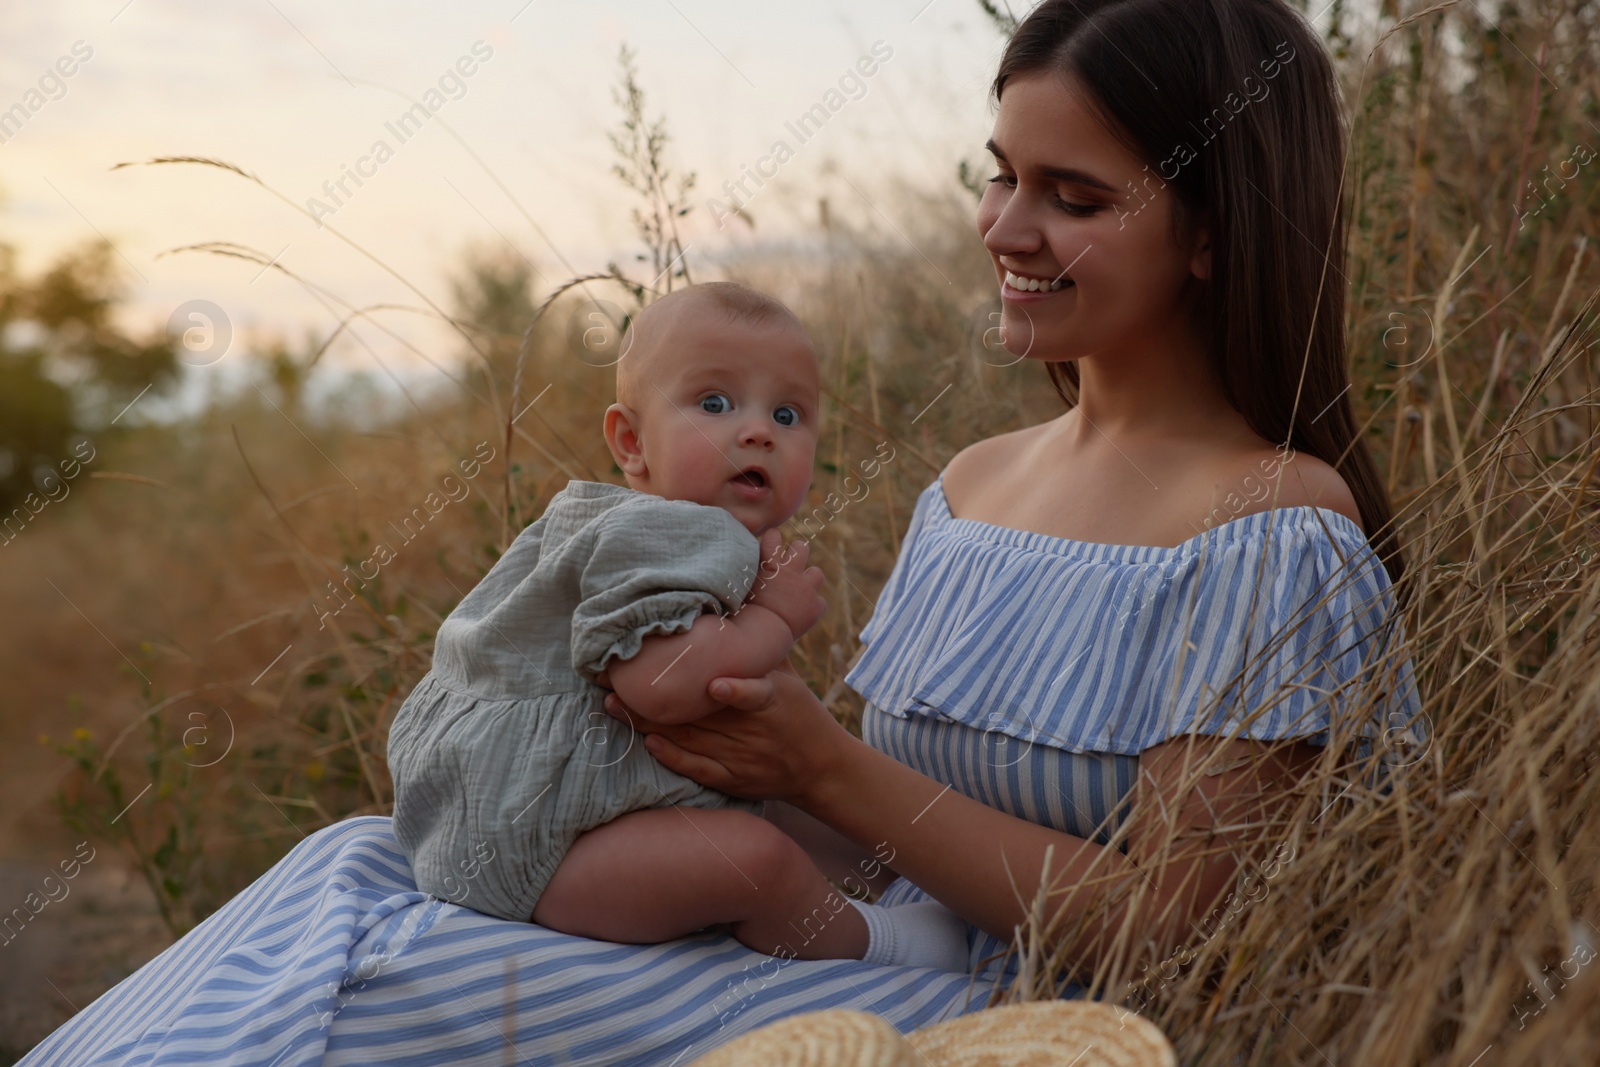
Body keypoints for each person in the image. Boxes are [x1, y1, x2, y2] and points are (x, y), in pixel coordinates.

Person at [18, 2, 1425, 1064]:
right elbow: (859, 829)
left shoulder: (1268, 529)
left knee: (382, 981)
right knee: (351, 865)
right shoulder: (978, 481)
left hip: (983, 999)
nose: (1004, 225)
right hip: (836, 922)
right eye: (999, 175)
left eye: (1075, 197)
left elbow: (1187, 931)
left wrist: (816, 761)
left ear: (1214, 230)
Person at [386, 280, 969, 968]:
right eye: (714, 404)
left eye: (788, 414)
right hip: (535, 844)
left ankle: (897, 875)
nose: (757, 431)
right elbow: (659, 683)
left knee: (768, 794)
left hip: (524, 808)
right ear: (632, 442)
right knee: (756, 859)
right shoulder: (680, 531)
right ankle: (884, 946)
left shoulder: (623, 520)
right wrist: (774, 619)